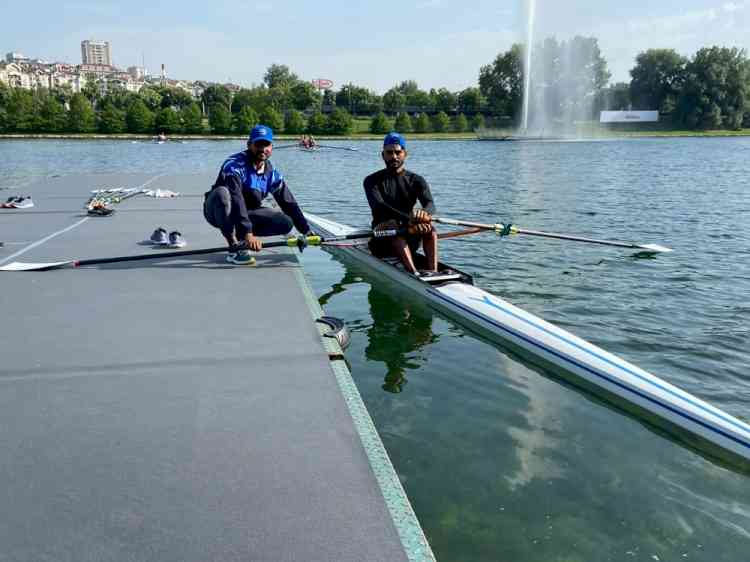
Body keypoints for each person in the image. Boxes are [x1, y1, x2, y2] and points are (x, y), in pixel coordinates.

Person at [203, 124, 313, 265]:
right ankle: (234, 247)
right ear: (249, 145)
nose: (262, 149)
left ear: (271, 147)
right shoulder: (234, 165)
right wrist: (248, 233)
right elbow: (236, 199)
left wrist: (307, 231)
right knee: (222, 194)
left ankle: (242, 235)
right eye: (258, 144)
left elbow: (289, 203)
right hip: (218, 211)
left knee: (286, 223)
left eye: (266, 144)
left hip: (247, 213)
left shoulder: (272, 174)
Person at [363, 132, 438, 274]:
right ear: (383, 155)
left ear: (405, 154)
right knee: (393, 227)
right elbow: (379, 207)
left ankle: (433, 271)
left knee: (430, 229)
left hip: (410, 231)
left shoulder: (417, 180)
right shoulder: (371, 181)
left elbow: (430, 204)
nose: (394, 157)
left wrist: (425, 213)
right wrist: (409, 219)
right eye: (389, 153)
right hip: (383, 234)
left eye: (398, 152)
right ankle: (414, 273)